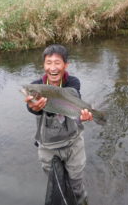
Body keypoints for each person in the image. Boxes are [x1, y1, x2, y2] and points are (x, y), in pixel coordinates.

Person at [24, 44, 93, 205]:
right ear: (43, 65)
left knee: (76, 185)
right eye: (48, 63)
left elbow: (75, 98)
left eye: (57, 63)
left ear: (65, 65)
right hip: (48, 146)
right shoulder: (36, 85)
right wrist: (33, 107)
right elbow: (31, 108)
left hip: (73, 143)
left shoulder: (72, 82)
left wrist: (83, 115)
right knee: (56, 184)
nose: (52, 68)